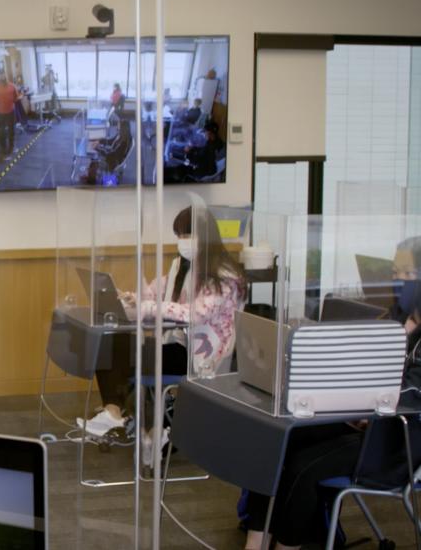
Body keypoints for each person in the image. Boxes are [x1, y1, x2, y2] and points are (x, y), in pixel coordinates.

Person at [243, 236, 421, 550]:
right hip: (363, 422)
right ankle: (257, 540)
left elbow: (406, 394)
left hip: (395, 444)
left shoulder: (408, 334)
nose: (397, 281)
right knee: (276, 442)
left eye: (407, 275)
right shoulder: (394, 321)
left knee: (303, 467)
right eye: (394, 272)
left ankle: (287, 545)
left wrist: (401, 341)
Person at [83, 206, 246, 441]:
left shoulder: (224, 275)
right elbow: (156, 293)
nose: (182, 242)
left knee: (119, 353)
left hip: (199, 358)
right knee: (108, 342)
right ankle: (113, 412)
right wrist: (133, 298)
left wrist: (148, 307)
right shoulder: (183, 267)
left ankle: (116, 415)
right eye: (179, 236)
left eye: (187, 235)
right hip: (180, 346)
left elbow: (195, 314)